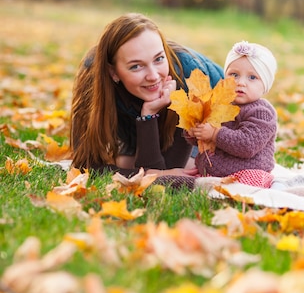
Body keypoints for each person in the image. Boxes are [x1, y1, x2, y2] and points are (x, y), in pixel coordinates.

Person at [70, 13, 223, 179]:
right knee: (127, 166)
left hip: (212, 125)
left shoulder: (189, 75)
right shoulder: (92, 78)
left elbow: (172, 169)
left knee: (190, 170)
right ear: (113, 72)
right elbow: (85, 165)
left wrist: (152, 174)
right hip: (133, 117)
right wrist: (148, 115)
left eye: (159, 59)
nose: (153, 76)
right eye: (136, 66)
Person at [188, 40, 278, 186]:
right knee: (178, 182)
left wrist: (214, 134)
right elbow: (202, 139)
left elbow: (248, 145)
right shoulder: (219, 104)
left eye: (252, 77)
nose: (240, 82)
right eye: (234, 75)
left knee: (243, 188)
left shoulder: (262, 112)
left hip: (248, 172)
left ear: (265, 85)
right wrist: (194, 131)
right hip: (211, 171)